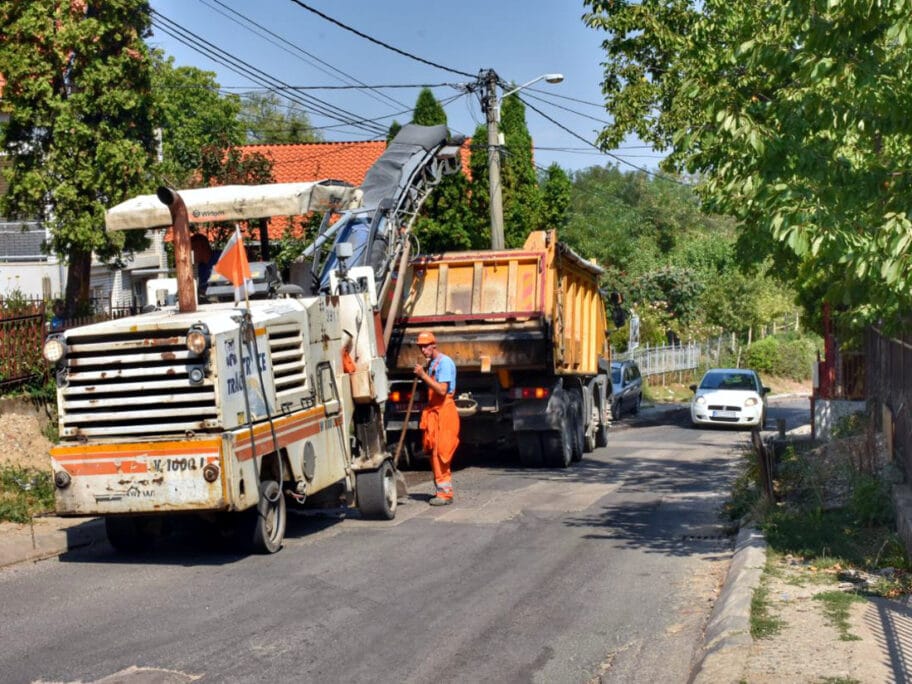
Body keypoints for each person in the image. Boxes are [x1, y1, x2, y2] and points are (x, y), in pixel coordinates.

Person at [413, 330, 460, 506]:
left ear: (434, 345)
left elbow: (441, 390)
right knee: (434, 451)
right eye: (420, 347)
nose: (423, 349)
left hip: (444, 411)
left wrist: (423, 376)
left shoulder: (445, 363)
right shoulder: (432, 363)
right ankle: (441, 489)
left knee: (442, 452)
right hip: (434, 411)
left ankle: (445, 493)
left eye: (425, 346)